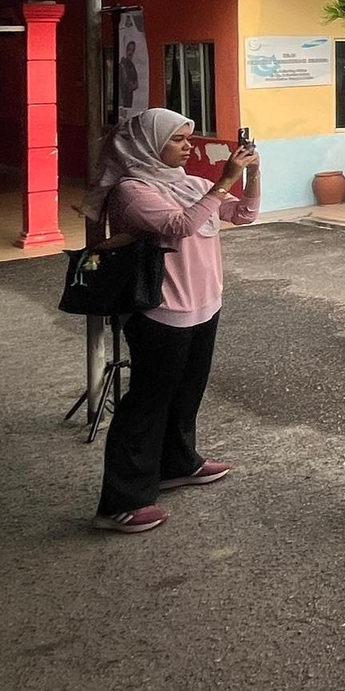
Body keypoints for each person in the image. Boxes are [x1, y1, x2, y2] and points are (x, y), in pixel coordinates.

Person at [89, 110, 261, 535]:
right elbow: (180, 225)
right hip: (161, 310)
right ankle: (121, 502)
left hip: (204, 304)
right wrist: (224, 181)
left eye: (189, 138)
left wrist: (252, 175)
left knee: (187, 392)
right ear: (150, 145)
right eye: (179, 140)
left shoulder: (189, 183)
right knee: (148, 401)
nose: (189, 146)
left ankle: (177, 463)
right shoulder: (133, 191)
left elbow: (244, 215)